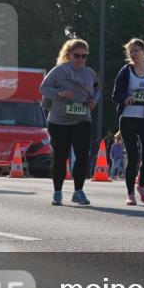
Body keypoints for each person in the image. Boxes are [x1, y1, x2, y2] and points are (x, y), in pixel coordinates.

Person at [40, 39, 100, 206]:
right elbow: (43, 88)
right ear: (68, 55)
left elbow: (97, 88)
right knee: (60, 156)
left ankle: (78, 191)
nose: (80, 59)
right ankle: (57, 192)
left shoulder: (89, 73)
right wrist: (60, 93)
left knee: (82, 156)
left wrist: (94, 101)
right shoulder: (59, 71)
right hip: (59, 121)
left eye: (84, 56)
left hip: (82, 119)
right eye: (77, 55)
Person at [111, 38, 144, 205]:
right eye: (131, 52)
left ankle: (141, 185)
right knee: (132, 157)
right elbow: (115, 95)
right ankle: (130, 194)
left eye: (136, 50)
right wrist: (125, 97)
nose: (133, 54)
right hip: (128, 118)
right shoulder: (126, 71)